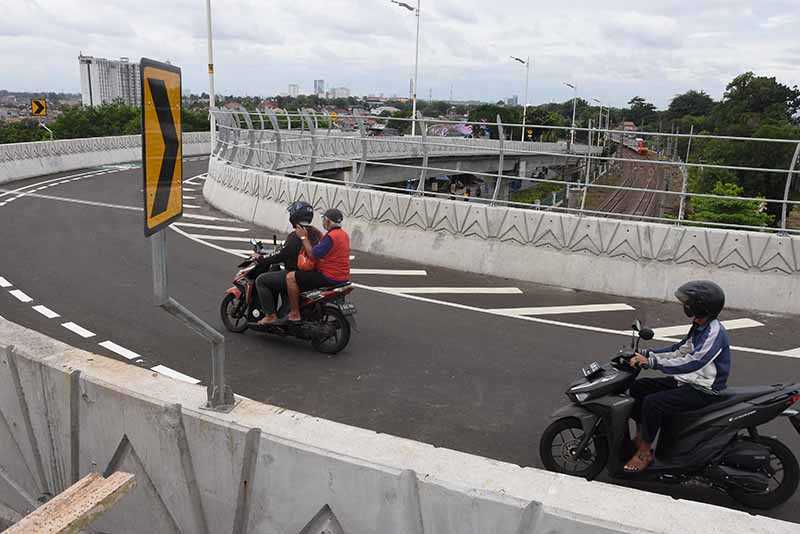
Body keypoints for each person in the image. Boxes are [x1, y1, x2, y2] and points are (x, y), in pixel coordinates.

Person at [624, 280, 730, 473]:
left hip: (703, 389)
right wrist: (648, 354)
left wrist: (653, 363)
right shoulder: (699, 326)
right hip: (687, 381)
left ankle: (645, 452)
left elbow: (694, 361)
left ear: (700, 306)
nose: (685, 306)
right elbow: (680, 351)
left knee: (653, 403)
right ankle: (641, 437)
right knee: (640, 388)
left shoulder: (715, 332)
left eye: (688, 303)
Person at [254, 201, 321, 326]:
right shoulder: (315, 232)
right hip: (313, 274)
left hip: (296, 274)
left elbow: (282, 255)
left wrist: (261, 259)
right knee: (276, 271)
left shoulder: (296, 235)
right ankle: (285, 308)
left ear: (294, 216)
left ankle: (270, 316)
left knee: (261, 280)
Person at [283, 208, 351, 323]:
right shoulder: (343, 235)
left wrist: (303, 237)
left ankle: (294, 313)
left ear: (328, 221)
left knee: (290, 277)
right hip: (343, 277)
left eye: (323, 220)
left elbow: (313, 254)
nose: (323, 222)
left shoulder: (331, 237)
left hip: (329, 277)